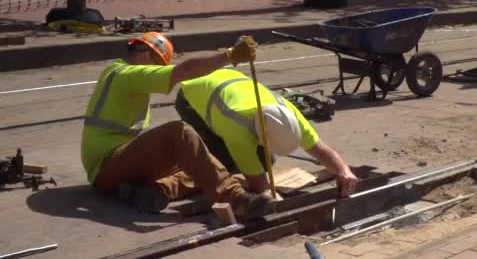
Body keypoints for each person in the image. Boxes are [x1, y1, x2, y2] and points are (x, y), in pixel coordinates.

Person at [80, 31, 272, 218]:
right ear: (147, 55)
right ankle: (236, 200)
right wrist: (230, 55)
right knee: (179, 133)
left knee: (203, 159)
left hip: (116, 167)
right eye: (159, 66)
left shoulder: (121, 74)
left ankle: (154, 191)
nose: (159, 71)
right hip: (106, 165)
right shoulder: (126, 74)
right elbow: (184, 71)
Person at [174, 68, 359, 198]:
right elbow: (258, 184)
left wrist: (344, 171)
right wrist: (270, 196)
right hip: (193, 96)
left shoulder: (288, 115)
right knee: (221, 161)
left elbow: (320, 149)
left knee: (266, 161)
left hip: (226, 79)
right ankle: (187, 175)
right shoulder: (235, 126)